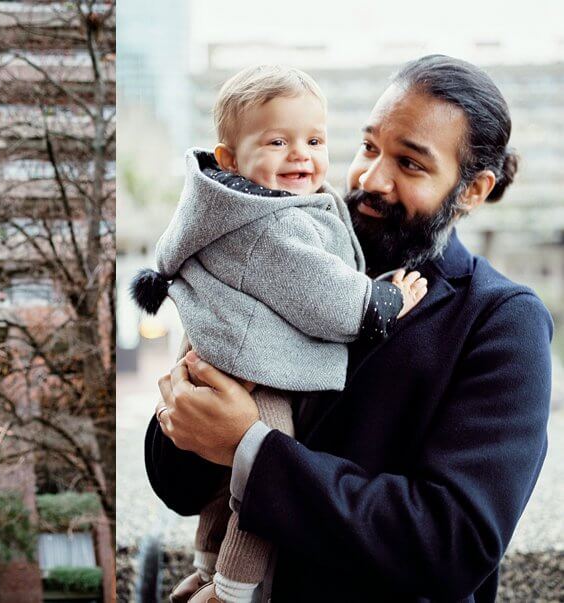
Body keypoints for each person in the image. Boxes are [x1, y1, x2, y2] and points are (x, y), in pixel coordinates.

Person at [146, 54, 553, 602]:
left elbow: (454, 546)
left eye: (410, 164)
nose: (370, 178)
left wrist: (250, 449)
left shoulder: (502, 321)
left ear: (473, 190)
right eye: (368, 147)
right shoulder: (275, 254)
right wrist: (189, 416)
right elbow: (176, 487)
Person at [131, 64, 426, 603]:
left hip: (232, 354)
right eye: (277, 141)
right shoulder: (272, 224)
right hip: (254, 369)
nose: (301, 154)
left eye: (315, 139)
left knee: (236, 475)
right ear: (229, 159)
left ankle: (205, 565)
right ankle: (233, 587)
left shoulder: (234, 208)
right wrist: (385, 300)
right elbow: (331, 301)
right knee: (264, 470)